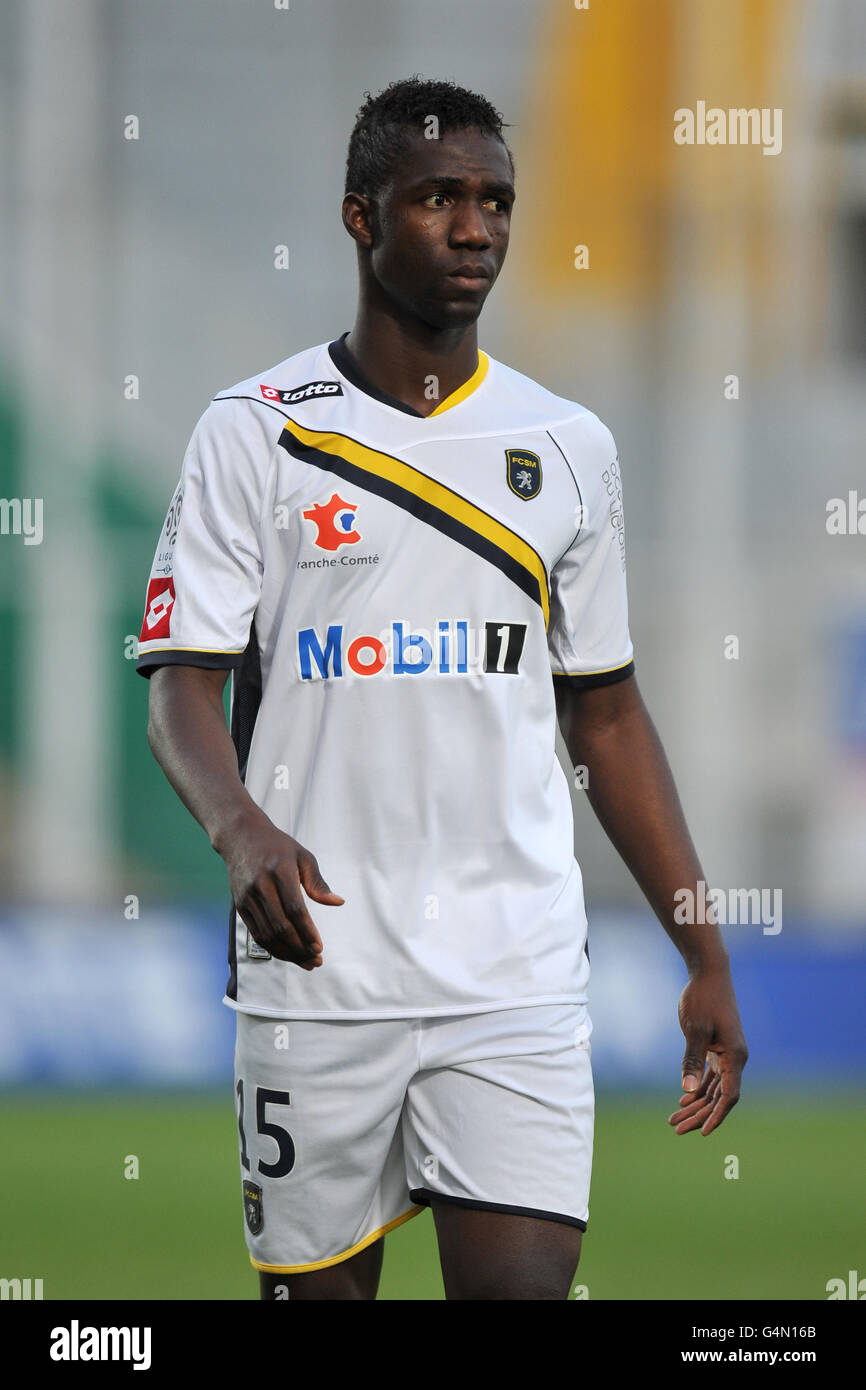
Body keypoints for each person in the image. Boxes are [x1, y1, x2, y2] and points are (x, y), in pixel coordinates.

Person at [137, 76, 748, 1301]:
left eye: (493, 201)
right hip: (316, 973)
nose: (475, 229)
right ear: (359, 218)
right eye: (437, 199)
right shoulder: (253, 432)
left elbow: (607, 711)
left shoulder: (568, 447)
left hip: (510, 978)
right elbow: (178, 689)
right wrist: (238, 824)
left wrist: (703, 950)